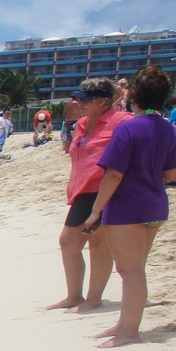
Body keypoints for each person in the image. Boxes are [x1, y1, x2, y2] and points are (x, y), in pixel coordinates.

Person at [82, 66, 176, 347]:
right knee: (135, 268)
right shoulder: (171, 131)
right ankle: (124, 324)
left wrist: (95, 211)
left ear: (133, 94)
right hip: (155, 206)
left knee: (130, 271)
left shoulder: (128, 128)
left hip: (128, 208)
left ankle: (129, 332)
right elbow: (171, 174)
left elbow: (113, 174)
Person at [46, 78, 131, 313]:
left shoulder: (122, 121)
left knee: (97, 244)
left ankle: (93, 299)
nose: (78, 103)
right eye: (77, 98)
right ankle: (74, 296)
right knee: (69, 243)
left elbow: (151, 123)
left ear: (103, 101)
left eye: (84, 99)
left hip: (106, 191)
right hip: (82, 192)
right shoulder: (81, 124)